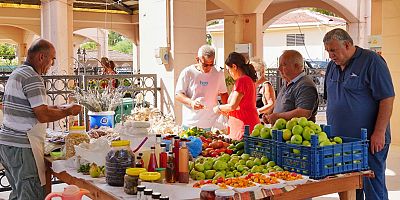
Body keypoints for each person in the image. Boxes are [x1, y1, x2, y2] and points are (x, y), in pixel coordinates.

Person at [0, 39, 82, 200]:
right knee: (30, 195)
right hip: (22, 146)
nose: (51, 64)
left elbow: (35, 108)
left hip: (8, 144)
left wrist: (62, 108)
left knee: (18, 194)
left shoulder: (18, 73)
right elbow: (42, 115)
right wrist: (69, 112)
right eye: (52, 59)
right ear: (41, 57)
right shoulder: (32, 77)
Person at [323, 28, 395, 200]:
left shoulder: (372, 61)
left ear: (347, 45)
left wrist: (379, 132)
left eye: (333, 50)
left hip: (369, 142)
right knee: (348, 188)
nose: (330, 55)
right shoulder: (331, 67)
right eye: (327, 51)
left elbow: (387, 98)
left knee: (373, 189)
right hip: (342, 144)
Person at [175, 44, 228, 130]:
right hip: (190, 123)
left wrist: (227, 108)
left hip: (212, 123)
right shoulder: (188, 72)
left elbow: (224, 93)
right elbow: (178, 94)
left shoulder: (218, 73)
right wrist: (191, 102)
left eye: (211, 64)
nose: (208, 68)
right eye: (205, 65)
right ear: (197, 59)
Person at [213, 52, 260, 140]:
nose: (229, 73)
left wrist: (219, 108)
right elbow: (241, 106)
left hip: (243, 128)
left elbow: (233, 106)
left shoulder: (242, 80)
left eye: (228, 70)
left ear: (234, 66)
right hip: (244, 126)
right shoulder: (247, 80)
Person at [264, 50, 318, 124]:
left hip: (295, 134)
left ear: (296, 66)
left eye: (283, 65)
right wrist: (270, 113)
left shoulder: (305, 85)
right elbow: (282, 103)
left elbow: (304, 113)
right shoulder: (288, 82)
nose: (279, 69)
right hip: (282, 132)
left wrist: (278, 117)